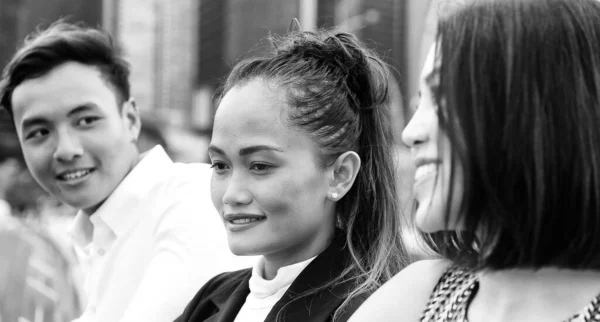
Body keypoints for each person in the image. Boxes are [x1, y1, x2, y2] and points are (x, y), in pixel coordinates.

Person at [349, 0, 600, 321]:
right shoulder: (416, 296)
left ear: (535, 112)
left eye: (440, 97)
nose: (411, 133)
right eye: (417, 105)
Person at [0, 21, 249, 322]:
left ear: (130, 119)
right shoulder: (97, 235)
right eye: (39, 132)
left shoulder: (192, 201)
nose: (65, 149)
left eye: (85, 120)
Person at [175, 25, 409, 322]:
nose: (232, 194)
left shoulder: (371, 311)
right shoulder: (210, 301)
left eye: (260, 166)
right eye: (220, 166)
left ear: (340, 174)